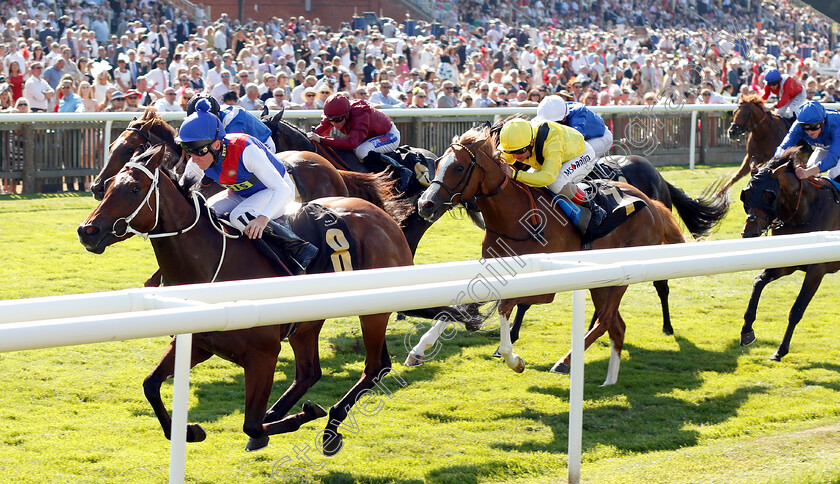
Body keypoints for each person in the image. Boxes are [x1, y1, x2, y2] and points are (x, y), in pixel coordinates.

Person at [176, 98, 318, 274]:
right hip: (242, 193)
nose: (194, 158)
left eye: (198, 150)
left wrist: (263, 218)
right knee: (206, 213)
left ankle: (298, 248)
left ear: (216, 144)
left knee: (238, 216)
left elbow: (283, 189)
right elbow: (181, 191)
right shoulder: (198, 160)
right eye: (188, 150)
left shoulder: (245, 150)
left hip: (275, 191)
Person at [498, 118, 605, 228]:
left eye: (520, 151)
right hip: (552, 157)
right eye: (510, 152)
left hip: (580, 154)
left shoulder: (552, 141)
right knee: (527, 183)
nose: (515, 156)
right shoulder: (517, 139)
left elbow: (548, 177)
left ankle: (593, 206)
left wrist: (515, 175)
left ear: (531, 142)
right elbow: (502, 159)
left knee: (556, 184)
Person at [308, 94, 413, 191]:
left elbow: (351, 143)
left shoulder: (360, 112)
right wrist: (309, 137)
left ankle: (401, 170)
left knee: (361, 151)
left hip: (389, 135)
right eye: (331, 120)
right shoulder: (335, 113)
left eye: (338, 120)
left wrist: (321, 139)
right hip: (369, 138)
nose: (335, 124)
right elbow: (320, 131)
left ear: (347, 114)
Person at [187, 94, 276, 153]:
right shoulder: (216, 115)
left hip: (263, 146)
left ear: (216, 115)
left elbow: (233, 151)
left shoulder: (233, 120)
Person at [774, 102, 840, 181]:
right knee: (811, 167)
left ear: (823, 122)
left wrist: (807, 172)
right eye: (804, 127)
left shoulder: (836, 125)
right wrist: (774, 163)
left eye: (814, 126)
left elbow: (832, 159)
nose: (809, 131)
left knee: (834, 173)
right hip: (824, 147)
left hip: (836, 146)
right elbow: (784, 146)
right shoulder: (798, 125)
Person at [534, 95, 613, 159]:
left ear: (564, 118)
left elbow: (576, 140)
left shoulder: (577, 115)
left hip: (600, 137)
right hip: (586, 136)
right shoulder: (557, 109)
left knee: (574, 157)